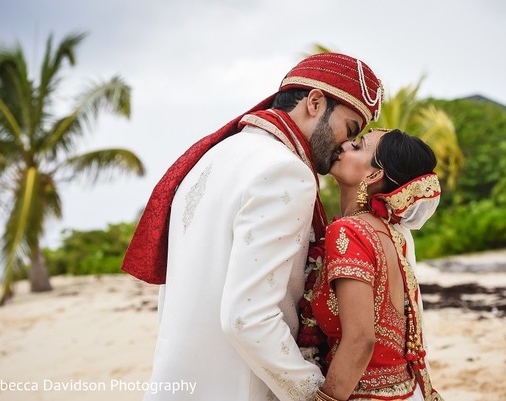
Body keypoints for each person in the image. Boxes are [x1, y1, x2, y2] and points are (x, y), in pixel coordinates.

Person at [121, 53, 384, 400]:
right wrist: (312, 393)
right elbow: (248, 317)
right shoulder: (285, 171)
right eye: (350, 129)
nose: (345, 145)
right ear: (316, 103)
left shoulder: (214, 156)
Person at [310, 129, 444, 401]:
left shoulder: (349, 231)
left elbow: (360, 340)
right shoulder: (390, 234)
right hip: (405, 392)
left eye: (358, 146)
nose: (345, 144)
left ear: (373, 175)